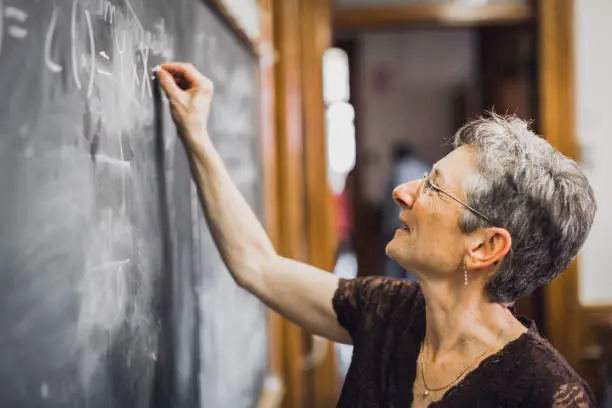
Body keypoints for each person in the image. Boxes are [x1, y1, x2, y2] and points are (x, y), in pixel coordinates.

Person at [156, 63, 597, 407]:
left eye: (434, 186)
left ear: (484, 246)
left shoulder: (547, 394)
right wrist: (196, 134)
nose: (402, 192)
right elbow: (258, 266)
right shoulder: (385, 312)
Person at [382, 143, 430, 280]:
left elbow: (389, 199)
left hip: (398, 220)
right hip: (420, 221)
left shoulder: (397, 169)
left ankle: (393, 288)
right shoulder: (424, 167)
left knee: (394, 260)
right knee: (415, 259)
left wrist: (385, 224)